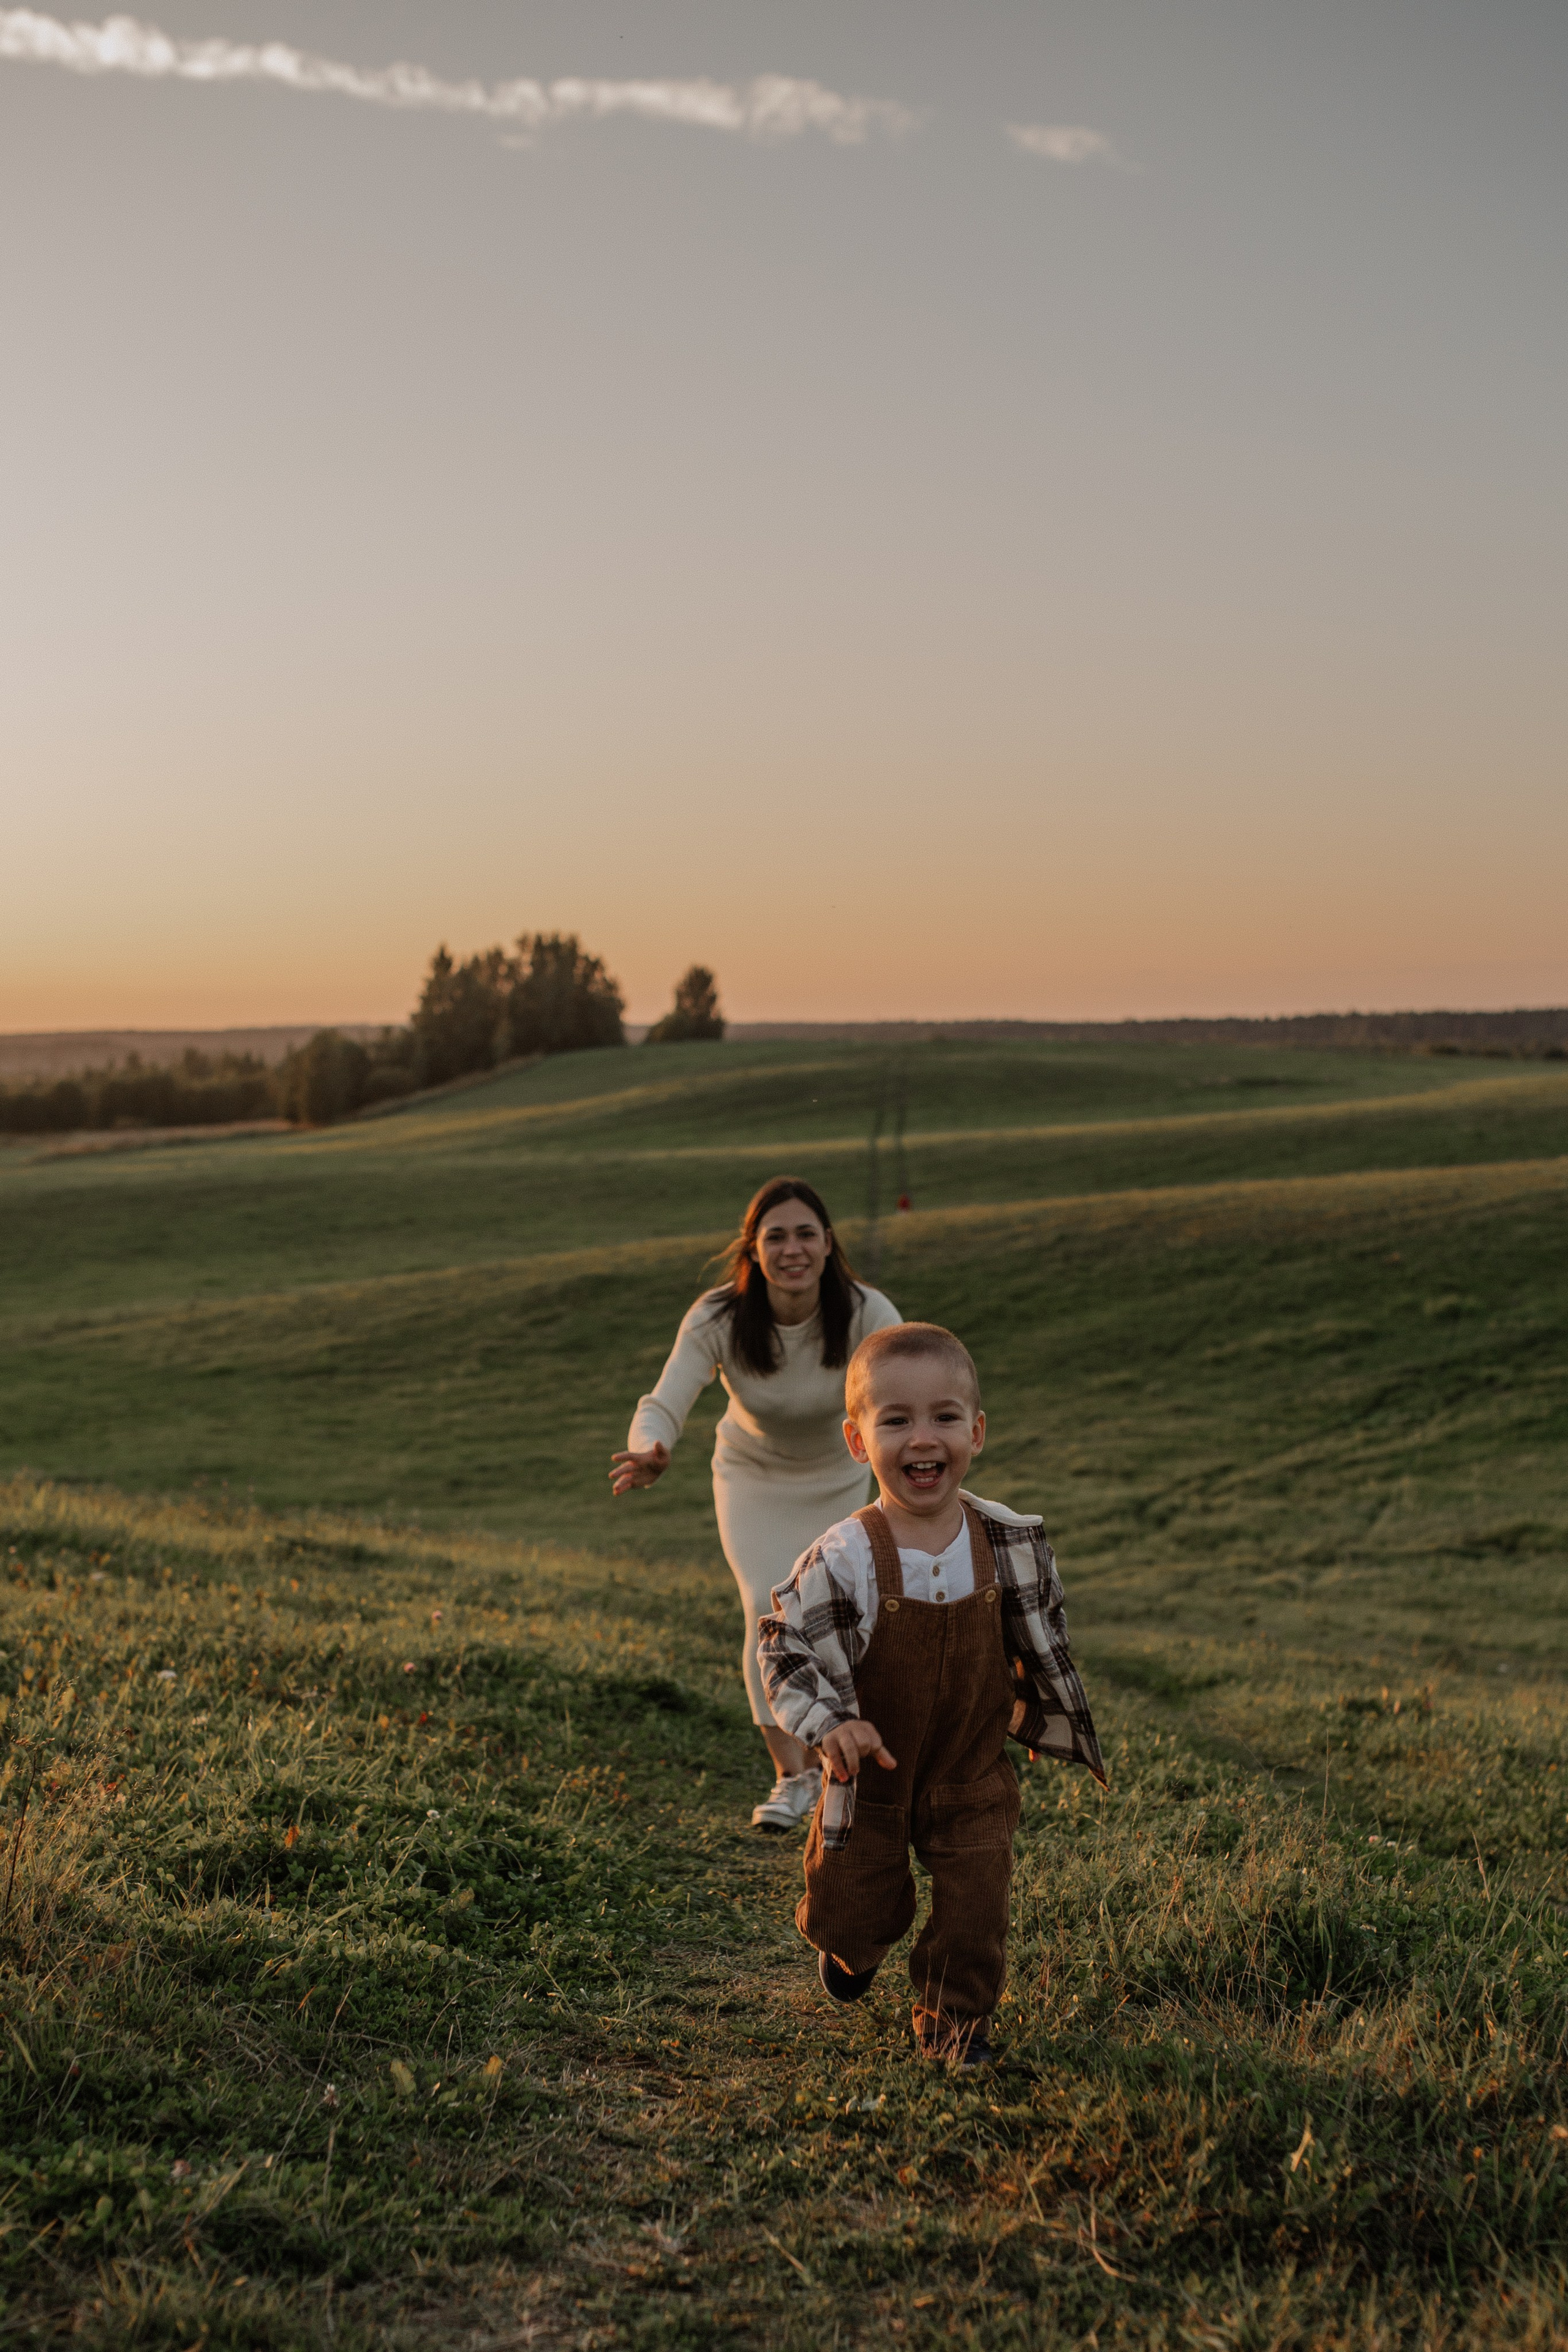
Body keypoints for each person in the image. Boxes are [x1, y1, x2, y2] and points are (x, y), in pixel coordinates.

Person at [758, 1321, 1105, 2069]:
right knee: (854, 1909)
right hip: (871, 1775)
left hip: (969, 1773)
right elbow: (782, 1647)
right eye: (897, 1420)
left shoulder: (1008, 1543)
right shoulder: (845, 1555)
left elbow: (1037, 1638)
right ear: (858, 1442)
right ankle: (852, 1951)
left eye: (944, 1417)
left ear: (975, 1432)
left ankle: (953, 2027)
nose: (924, 1437)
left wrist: (1027, 1711)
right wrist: (828, 1727)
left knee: (977, 1900)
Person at [611, 1177, 900, 1830]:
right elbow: (662, 1401)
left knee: (832, 1613)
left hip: (836, 1477)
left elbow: (905, 1378)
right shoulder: (719, 1316)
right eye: (775, 1237)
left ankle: (837, 1763)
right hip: (751, 1475)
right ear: (753, 1249)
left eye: (805, 1234)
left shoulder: (865, 1312)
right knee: (766, 1604)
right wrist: (652, 1448)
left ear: (828, 1244)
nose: (791, 1249)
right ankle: (791, 1777)